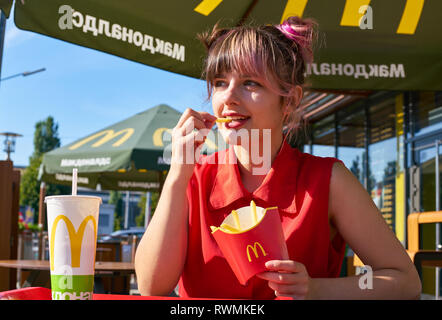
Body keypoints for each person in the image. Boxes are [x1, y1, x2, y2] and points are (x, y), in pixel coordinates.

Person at [135, 16, 421, 300]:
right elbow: (151, 287)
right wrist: (176, 176)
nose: (229, 97)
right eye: (220, 82)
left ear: (291, 100)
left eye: (250, 83)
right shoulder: (193, 176)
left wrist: (316, 289)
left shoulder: (328, 180)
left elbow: (405, 281)